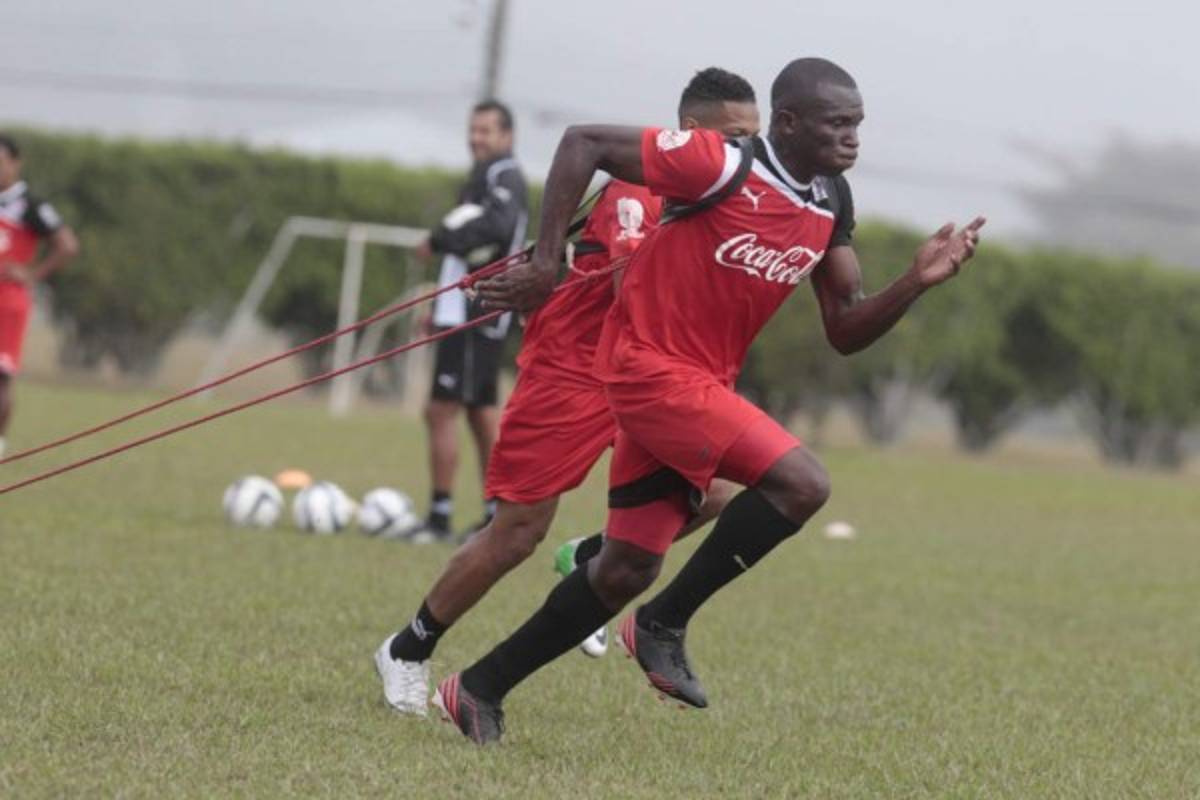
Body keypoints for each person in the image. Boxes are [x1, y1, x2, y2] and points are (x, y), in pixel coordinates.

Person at [435, 57, 986, 745]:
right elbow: (582, 142)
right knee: (804, 483)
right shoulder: (720, 165)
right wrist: (547, 262)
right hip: (648, 371)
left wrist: (915, 281)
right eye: (837, 124)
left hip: (698, 388)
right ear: (787, 122)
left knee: (626, 568)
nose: (852, 139)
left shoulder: (830, 200)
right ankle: (661, 624)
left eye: (858, 126)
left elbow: (846, 328)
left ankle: (478, 689)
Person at [374, 69, 760, 716]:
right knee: (516, 533)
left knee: (720, 483)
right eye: (736, 136)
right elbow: (635, 291)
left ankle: (591, 558)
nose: (749, 151)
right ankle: (407, 649)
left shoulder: (724, 196)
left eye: (757, 138)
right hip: (575, 370)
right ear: (691, 134)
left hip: (649, 374)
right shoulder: (641, 186)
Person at [409, 100, 529, 543]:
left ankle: (439, 519)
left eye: (486, 131)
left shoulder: (505, 176)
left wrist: (437, 238)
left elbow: (494, 229)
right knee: (479, 412)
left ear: (507, 136)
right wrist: (439, 308)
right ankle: (493, 514)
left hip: (478, 312)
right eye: (473, 130)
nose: (476, 138)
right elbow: (469, 250)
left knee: (440, 409)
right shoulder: (482, 177)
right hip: (462, 310)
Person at [0, 134, 79, 457]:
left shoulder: (30, 205)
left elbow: (68, 245)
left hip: (7, 300)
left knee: (0, 377)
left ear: (16, 164)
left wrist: (32, 274)